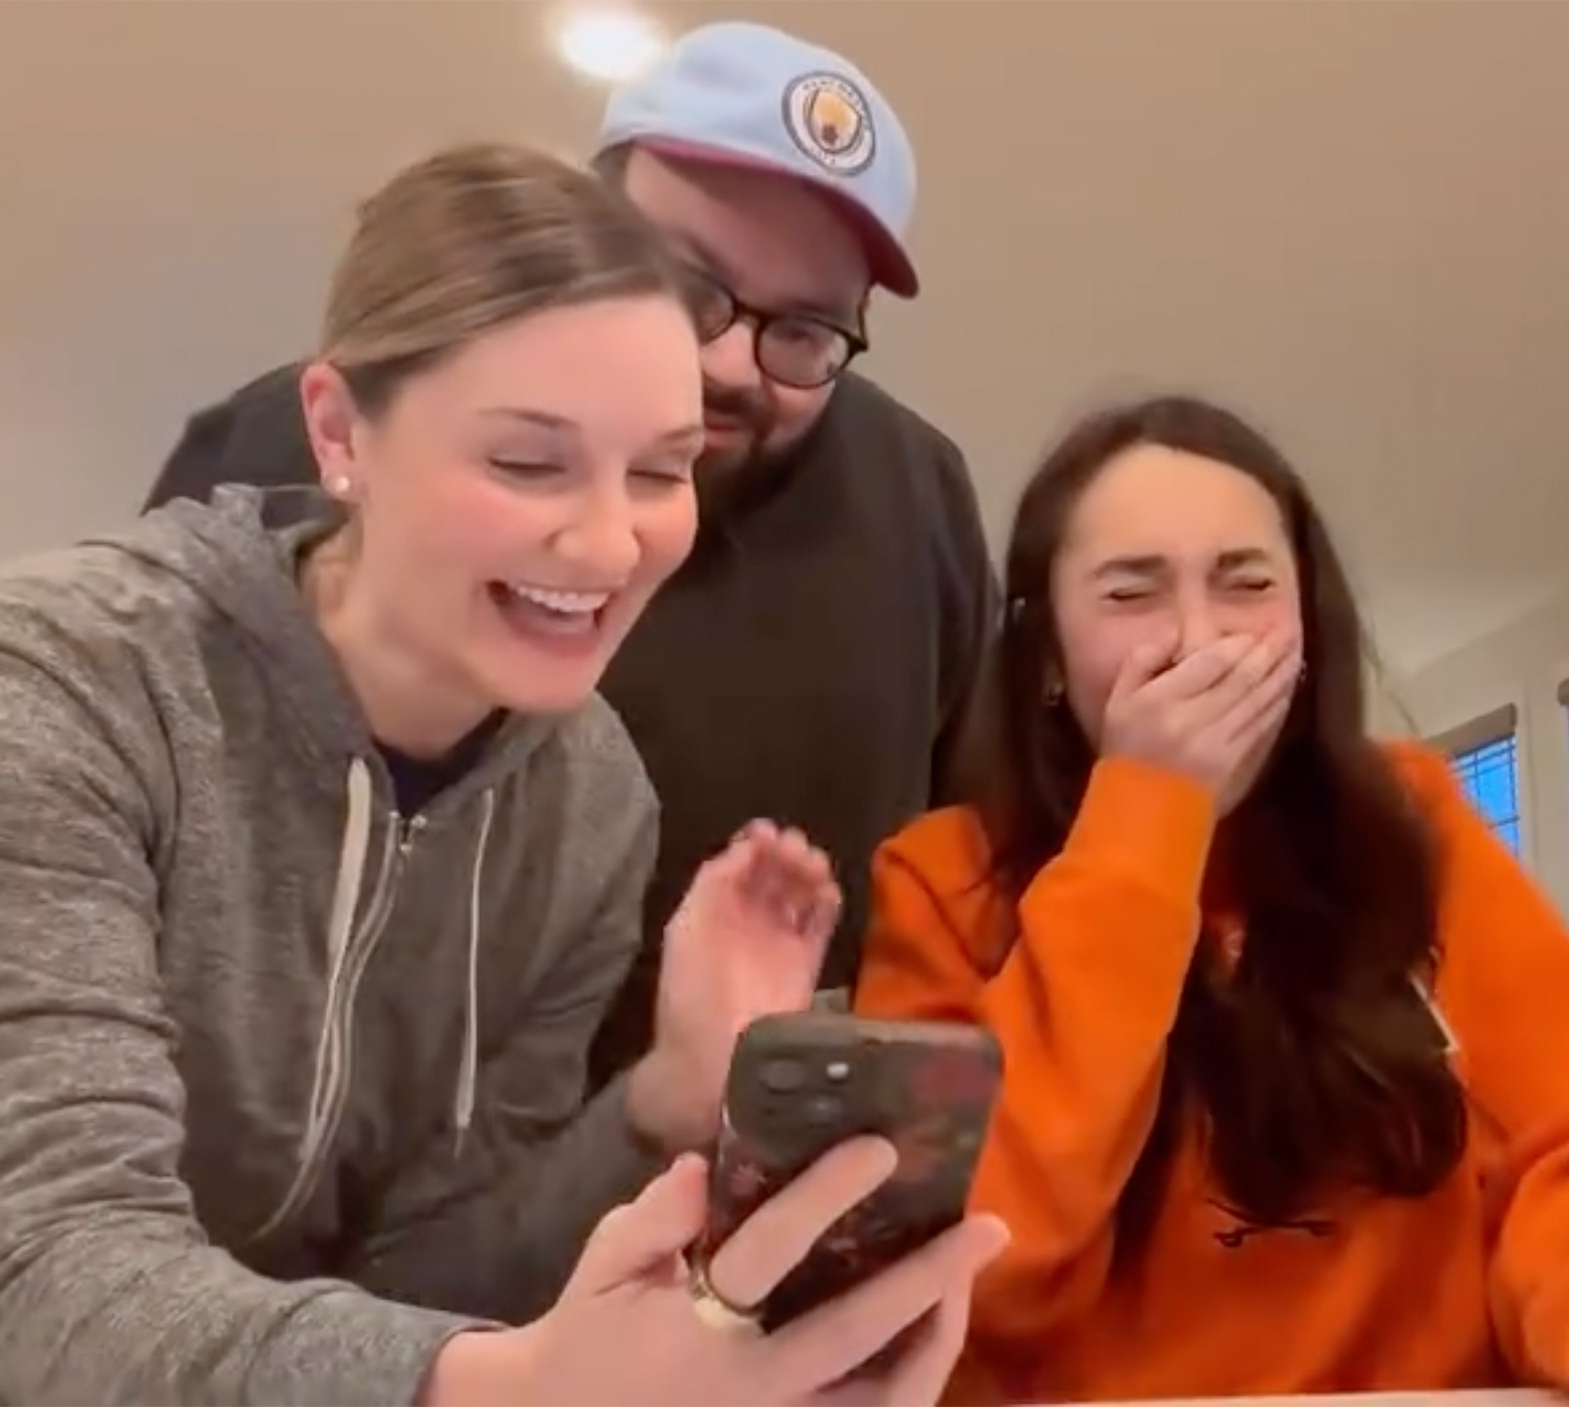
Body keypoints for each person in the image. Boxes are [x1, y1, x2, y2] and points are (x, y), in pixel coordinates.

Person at [0, 142, 1003, 1406]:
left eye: (659, 472)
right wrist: (523, 1388)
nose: (608, 542)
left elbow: (429, 1265)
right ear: (339, 431)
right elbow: (44, 1271)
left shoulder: (592, 799)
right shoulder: (55, 682)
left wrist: (662, 1100)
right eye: (526, 462)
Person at [851, 393, 1569, 1405]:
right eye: (1131, 594)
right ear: (1044, 654)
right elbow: (982, 1271)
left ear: (1307, 627)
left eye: (1246, 584)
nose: (1200, 642)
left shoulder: (1416, 824)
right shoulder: (939, 881)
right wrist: (1145, 820)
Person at [140, 21, 997, 1082]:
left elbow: (959, 867)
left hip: (695, 1178)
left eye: (806, 331)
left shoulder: (921, 499)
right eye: (688, 287)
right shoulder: (319, 433)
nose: (728, 362)